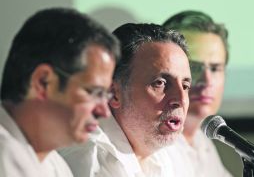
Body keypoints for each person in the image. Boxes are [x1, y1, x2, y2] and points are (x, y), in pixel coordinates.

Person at [59, 23, 192, 177]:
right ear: (114, 93)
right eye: (160, 83)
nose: (181, 99)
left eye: (185, 86)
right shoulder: (85, 161)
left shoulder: (170, 157)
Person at [0, 8, 120, 177]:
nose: (104, 112)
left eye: (105, 95)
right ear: (43, 82)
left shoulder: (56, 166)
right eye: (93, 92)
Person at [162, 10, 232, 177]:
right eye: (194, 67)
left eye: (215, 68)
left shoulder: (203, 142)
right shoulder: (153, 145)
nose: (206, 80)